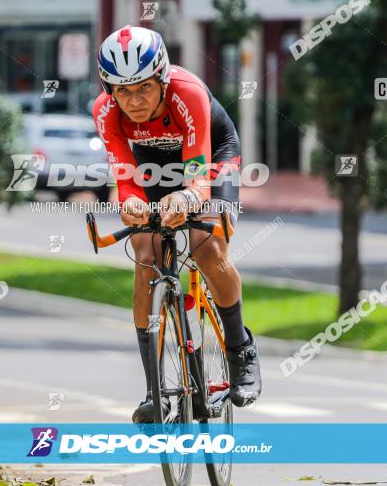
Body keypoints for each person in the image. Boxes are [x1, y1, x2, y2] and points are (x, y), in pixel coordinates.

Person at [91, 24, 262, 424]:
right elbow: (126, 178)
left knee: (207, 245)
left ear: (163, 78)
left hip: (211, 153)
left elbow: (200, 176)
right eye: (122, 90)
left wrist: (187, 197)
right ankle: (154, 393)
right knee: (145, 252)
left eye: (144, 88)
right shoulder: (105, 110)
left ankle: (241, 349)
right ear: (109, 89)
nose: (133, 101)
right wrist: (132, 205)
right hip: (153, 165)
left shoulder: (188, 92)